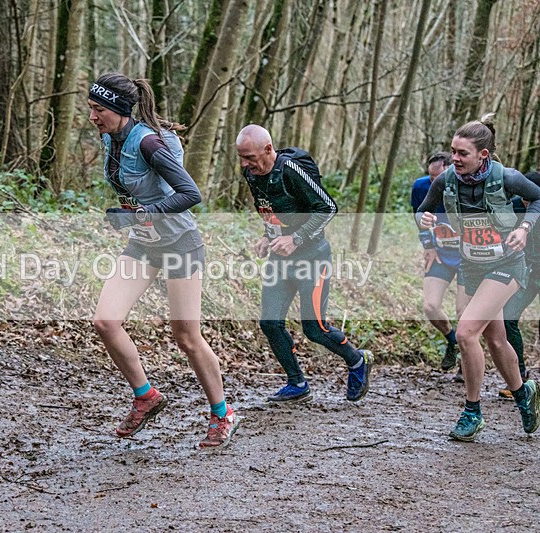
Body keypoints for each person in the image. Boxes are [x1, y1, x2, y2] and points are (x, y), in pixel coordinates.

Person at [88, 72, 239, 448]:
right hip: (143, 246)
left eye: (98, 109)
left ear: (120, 110)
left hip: (180, 245)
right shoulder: (111, 138)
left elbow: (191, 193)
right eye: (90, 107)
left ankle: (223, 414)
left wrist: (140, 214)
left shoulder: (150, 144)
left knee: (186, 336)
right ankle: (146, 396)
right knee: (105, 321)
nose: (92, 116)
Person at [416, 114, 540, 441]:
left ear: (482, 155)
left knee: (466, 333)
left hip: (508, 264)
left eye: (462, 154)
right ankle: (523, 393)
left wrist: (525, 229)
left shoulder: (508, 178)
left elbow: (538, 197)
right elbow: (422, 211)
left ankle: (472, 411)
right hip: (472, 266)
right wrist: (426, 218)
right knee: (495, 339)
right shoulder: (445, 180)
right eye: (453, 151)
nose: (454, 158)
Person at [235, 124, 373, 403]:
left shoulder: (290, 170)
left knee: (315, 328)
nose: (244, 164)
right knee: (270, 323)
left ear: (268, 149)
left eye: (249, 157)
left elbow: (328, 208)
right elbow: (270, 209)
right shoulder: (251, 173)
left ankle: (357, 360)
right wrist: (268, 235)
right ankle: (297, 383)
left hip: (313, 257)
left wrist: (295, 238)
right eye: (240, 157)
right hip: (280, 260)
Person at [411, 152, 465, 372]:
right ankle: (452, 341)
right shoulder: (420, 187)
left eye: (439, 179)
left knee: (464, 313)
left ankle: (466, 359)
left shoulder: (466, 187)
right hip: (441, 254)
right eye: (431, 179)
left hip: (467, 258)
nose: (435, 183)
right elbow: (418, 216)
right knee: (430, 307)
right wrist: (428, 245)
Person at [500, 171, 540, 398]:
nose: (526, 202)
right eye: (523, 197)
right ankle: (519, 376)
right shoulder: (513, 206)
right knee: (508, 318)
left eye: (530, 198)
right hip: (525, 273)